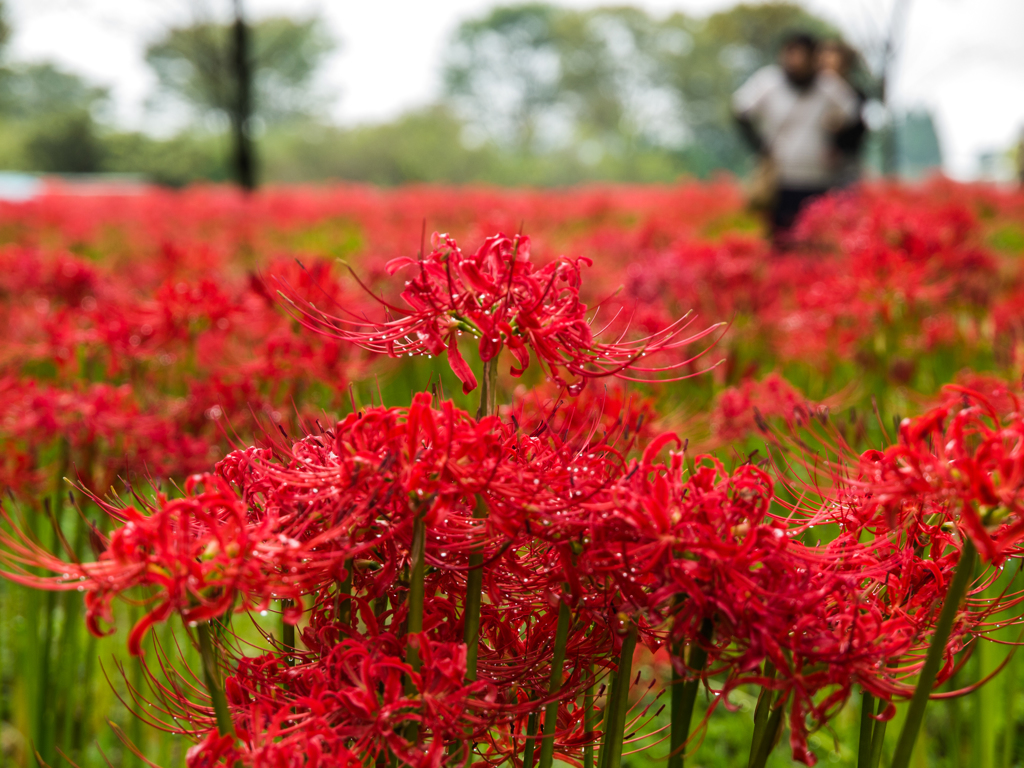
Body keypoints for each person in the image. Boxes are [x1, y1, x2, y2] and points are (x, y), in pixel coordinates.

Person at [733, 32, 859, 248]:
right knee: (782, 242)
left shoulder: (829, 86)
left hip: (821, 179)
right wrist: (760, 146)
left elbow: (852, 117)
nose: (796, 62)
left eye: (802, 55)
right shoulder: (768, 82)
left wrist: (837, 146)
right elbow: (740, 111)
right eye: (791, 54)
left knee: (816, 244)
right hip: (780, 179)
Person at [818, 38, 868, 188]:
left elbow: (857, 131)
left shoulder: (854, 94)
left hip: (843, 164)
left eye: (832, 63)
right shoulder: (810, 94)